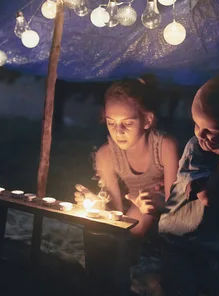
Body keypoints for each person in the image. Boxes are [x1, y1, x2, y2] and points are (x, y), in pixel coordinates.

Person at [132, 74, 219, 296]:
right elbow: (207, 196)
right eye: (196, 124)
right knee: (180, 291)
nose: (200, 134)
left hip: (217, 241)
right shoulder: (198, 149)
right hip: (182, 237)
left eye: (211, 130)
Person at [75, 77, 179, 238]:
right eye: (111, 123)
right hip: (133, 212)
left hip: (165, 211)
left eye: (128, 123)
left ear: (147, 120)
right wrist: (97, 203)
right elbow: (115, 211)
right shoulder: (106, 155)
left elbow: (176, 201)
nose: (118, 132)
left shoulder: (165, 147)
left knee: (141, 213)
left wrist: (154, 203)